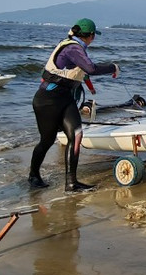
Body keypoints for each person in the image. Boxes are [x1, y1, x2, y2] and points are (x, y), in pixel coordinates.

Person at [30, 18, 119, 191]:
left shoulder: (77, 49)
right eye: (94, 36)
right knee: (46, 141)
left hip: (65, 100)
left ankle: (71, 183)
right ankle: (33, 175)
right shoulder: (72, 48)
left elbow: (82, 74)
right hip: (47, 101)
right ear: (90, 36)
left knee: (76, 135)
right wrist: (113, 67)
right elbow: (91, 69)